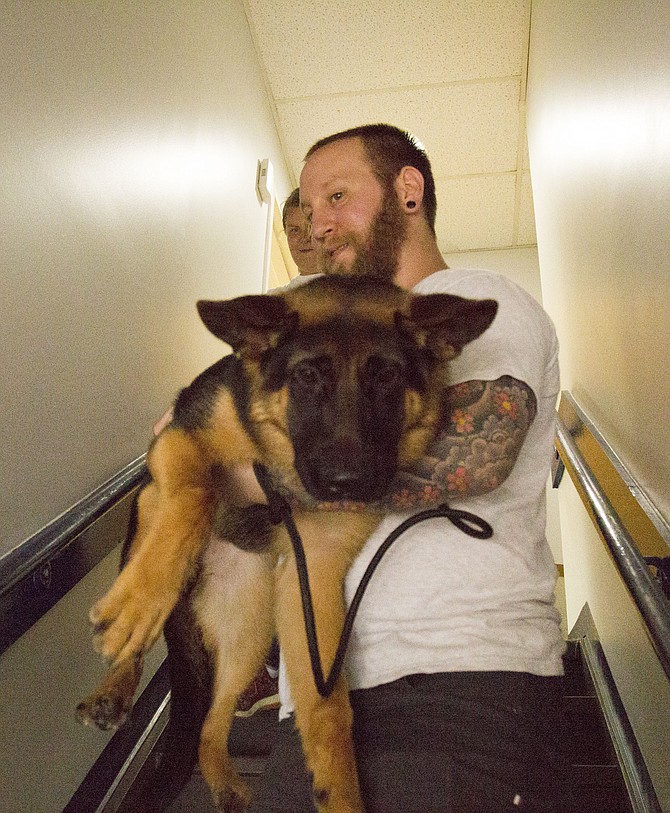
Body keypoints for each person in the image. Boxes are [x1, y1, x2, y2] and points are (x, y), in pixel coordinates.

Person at [247, 124, 570, 813]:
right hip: (310, 703)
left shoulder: (479, 295)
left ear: (408, 190)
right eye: (309, 211)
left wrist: (261, 473)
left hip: (459, 681)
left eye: (337, 196)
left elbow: (484, 438)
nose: (320, 225)